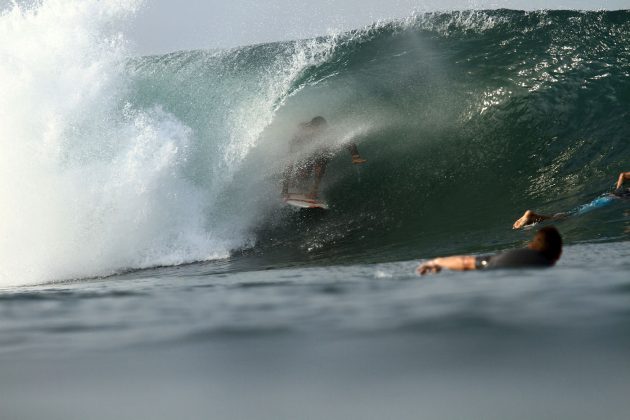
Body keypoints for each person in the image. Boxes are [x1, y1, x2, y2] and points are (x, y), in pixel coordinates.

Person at [417, 226, 562, 275]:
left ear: (531, 246)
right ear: (558, 254)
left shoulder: (506, 256)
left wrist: (437, 261)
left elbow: (466, 263)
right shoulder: (545, 269)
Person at [281, 116, 366, 199]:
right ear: (312, 127)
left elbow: (348, 142)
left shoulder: (328, 132)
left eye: (322, 129)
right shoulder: (302, 134)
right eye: (318, 129)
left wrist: (355, 156)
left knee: (322, 160)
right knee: (303, 175)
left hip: (318, 152)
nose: (320, 132)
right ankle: (292, 183)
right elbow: (289, 164)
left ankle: (314, 191)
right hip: (304, 150)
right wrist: (284, 190)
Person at [513, 171, 630, 229]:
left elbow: (623, 175)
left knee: (574, 213)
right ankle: (535, 218)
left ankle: (537, 218)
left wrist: (618, 188)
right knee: (572, 215)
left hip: (611, 194)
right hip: (611, 198)